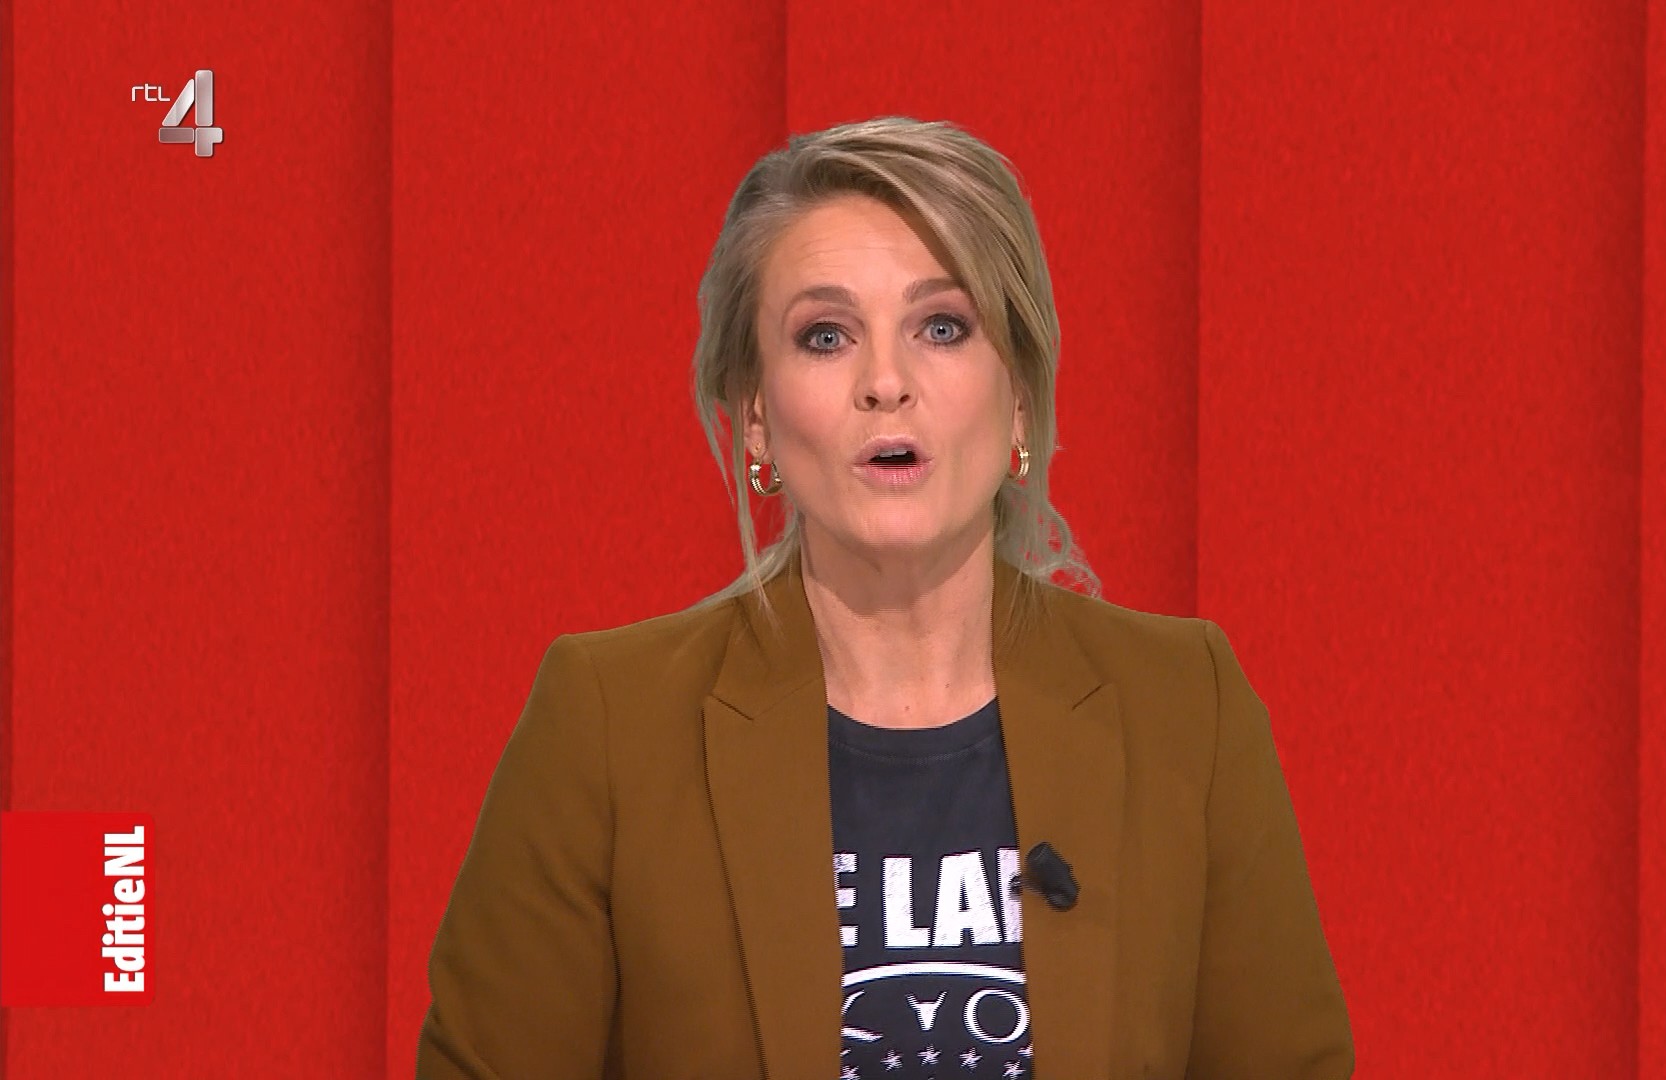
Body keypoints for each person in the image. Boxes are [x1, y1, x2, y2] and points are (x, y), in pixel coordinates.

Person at [416, 115, 1353, 1079]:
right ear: (755, 416)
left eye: (941, 327)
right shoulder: (609, 724)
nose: (886, 383)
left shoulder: (1185, 706)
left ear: (1020, 394)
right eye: (826, 337)